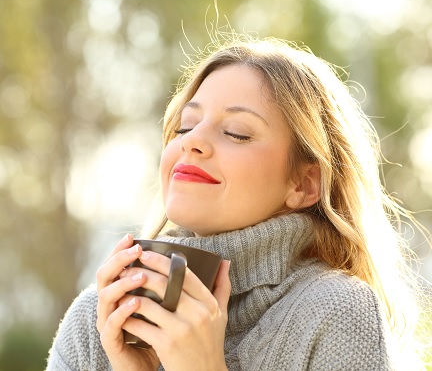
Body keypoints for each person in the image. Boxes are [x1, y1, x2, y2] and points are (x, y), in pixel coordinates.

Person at [46, 33, 429, 371]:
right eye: (185, 126)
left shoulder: (338, 313)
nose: (191, 141)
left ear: (304, 183)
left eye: (237, 133)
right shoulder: (97, 320)